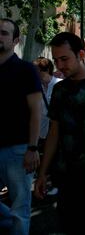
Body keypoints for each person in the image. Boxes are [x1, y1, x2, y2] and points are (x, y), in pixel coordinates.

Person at [34, 32, 85, 234]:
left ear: (81, 54)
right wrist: (43, 172)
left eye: (64, 59)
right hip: (66, 178)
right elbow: (54, 131)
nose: (60, 65)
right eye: (56, 60)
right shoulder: (60, 90)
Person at [0, 18, 42, 235]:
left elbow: (37, 111)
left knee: (20, 208)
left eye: (3, 33)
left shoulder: (26, 70)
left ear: (16, 40)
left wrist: (32, 148)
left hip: (18, 150)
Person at [32, 57, 62, 152]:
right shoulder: (35, 87)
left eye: (37, 70)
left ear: (47, 70)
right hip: (41, 135)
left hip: (57, 134)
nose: (34, 73)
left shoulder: (60, 85)